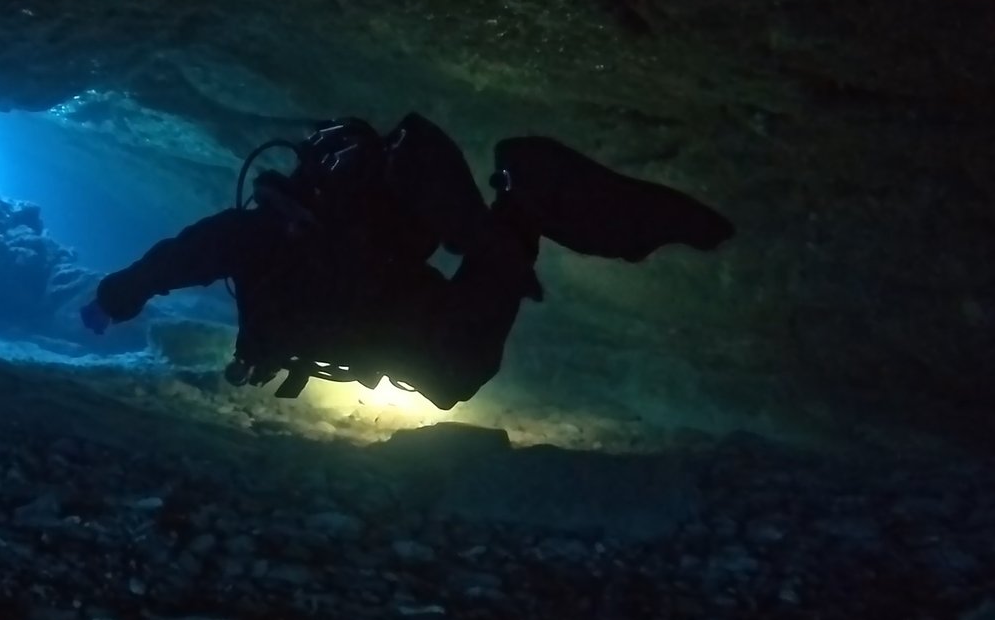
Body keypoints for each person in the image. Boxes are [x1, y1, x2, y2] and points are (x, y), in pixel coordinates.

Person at [79, 113, 734, 408]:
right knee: (454, 377)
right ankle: (527, 203)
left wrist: (115, 299)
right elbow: (184, 257)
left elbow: (181, 257)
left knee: (454, 376)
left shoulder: (265, 227)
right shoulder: (290, 228)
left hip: (374, 331)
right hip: (385, 331)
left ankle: (526, 202)